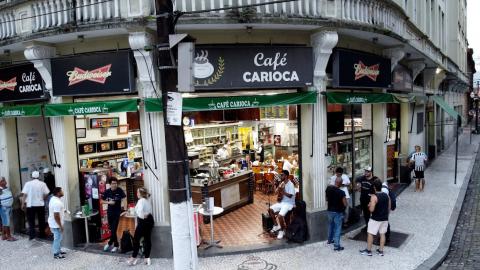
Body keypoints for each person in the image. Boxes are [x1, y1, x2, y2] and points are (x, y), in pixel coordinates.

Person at [359, 179, 391, 256]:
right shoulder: (386, 195)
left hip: (375, 218)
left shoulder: (374, 197)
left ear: (374, 187)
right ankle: (380, 251)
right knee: (382, 234)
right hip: (384, 218)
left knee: (370, 233)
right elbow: (389, 206)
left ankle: (368, 251)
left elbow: (371, 210)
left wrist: (369, 205)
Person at [127, 187, 154, 266]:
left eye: (138, 192)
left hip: (143, 222)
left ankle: (133, 257)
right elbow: (148, 212)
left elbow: (140, 213)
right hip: (149, 221)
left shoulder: (141, 201)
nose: (137, 194)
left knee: (136, 240)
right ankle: (147, 258)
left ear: (141, 194)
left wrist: (139, 215)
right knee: (147, 239)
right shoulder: (147, 200)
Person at [21, 171, 50, 240]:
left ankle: (32, 235)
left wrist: (22, 204)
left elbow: (24, 194)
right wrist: (43, 198)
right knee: (41, 220)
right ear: (38, 176)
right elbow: (47, 193)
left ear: (32, 176)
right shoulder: (42, 184)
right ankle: (42, 234)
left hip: (30, 205)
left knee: (31, 221)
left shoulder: (28, 184)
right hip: (40, 204)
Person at [268, 170, 295, 240]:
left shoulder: (291, 184)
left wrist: (283, 192)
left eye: (282, 175)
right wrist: (274, 186)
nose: (281, 176)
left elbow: (290, 196)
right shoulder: (282, 183)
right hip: (282, 203)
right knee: (270, 209)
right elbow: (275, 193)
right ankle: (276, 225)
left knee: (280, 216)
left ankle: (282, 230)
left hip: (289, 203)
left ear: (286, 176)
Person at [102, 177, 126, 253]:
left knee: (114, 229)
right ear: (110, 184)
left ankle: (110, 243)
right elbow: (101, 201)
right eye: (113, 183)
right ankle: (115, 244)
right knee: (112, 229)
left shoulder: (119, 190)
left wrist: (124, 209)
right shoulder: (107, 192)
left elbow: (124, 199)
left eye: (116, 183)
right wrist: (109, 203)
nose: (114, 185)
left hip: (117, 212)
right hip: (109, 212)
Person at [326, 176, 347, 251]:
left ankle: (329, 240)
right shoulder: (341, 192)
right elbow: (345, 204)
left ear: (335, 181)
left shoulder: (328, 189)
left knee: (330, 226)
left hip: (329, 211)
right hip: (338, 212)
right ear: (341, 184)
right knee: (337, 228)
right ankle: (336, 246)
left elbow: (326, 199)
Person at [48, 187, 66, 259]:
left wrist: (63, 210)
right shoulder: (57, 202)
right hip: (56, 225)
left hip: (54, 223)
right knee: (57, 239)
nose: (63, 192)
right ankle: (56, 254)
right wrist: (60, 226)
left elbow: (56, 211)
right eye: (61, 191)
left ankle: (59, 250)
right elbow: (56, 216)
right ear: (58, 193)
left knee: (59, 238)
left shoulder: (53, 199)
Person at [0, 177, 16, 241]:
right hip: (4, 208)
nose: (5, 181)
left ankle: (3, 236)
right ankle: (9, 236)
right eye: (3, 181)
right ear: (0, 182)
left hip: (9, 207)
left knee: (5, 222)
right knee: (7, 223)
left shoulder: (7, 188)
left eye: (4, 180)